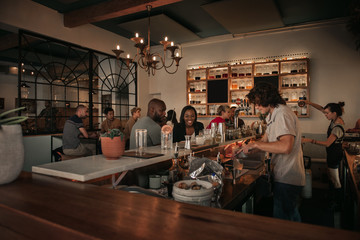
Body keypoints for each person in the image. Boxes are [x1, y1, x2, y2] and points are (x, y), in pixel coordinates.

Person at [240, 82, 305, 222]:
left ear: (268, 99)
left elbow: (285, 147)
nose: (256, 107)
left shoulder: (282, 113)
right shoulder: (272, 115)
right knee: (285, 217)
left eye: (258, 103)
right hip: (281, 174)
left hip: (288, 176)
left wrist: (256, 144)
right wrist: (247, 148)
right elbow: (265, 141)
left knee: (286, 222)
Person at [301, 100, 345, 208]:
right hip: (332, 154)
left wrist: (310, 140)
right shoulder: (335, 118)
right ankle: (331, 198)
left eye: (327, 113)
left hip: (334, 155)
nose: (325, 114)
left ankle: (339, 204)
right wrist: (308, 102)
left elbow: (327, 143)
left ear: (334, 113)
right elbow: (321, 108)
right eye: (325, 113)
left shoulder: (337, 127)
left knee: (335, 181)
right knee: (331, 176)